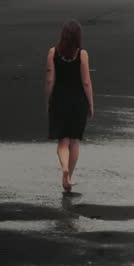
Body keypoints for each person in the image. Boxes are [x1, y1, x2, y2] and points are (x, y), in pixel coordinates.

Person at [45, 19, 94, 192]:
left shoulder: (53, 52)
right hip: (78, 101)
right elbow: (86, 82)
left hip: (59, 99)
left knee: (62, 142)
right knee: (74, 141)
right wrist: (91, 104)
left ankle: (64, 167)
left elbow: (50, 79)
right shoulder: (82, 54)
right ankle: (69, 176)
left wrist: (48, 99)